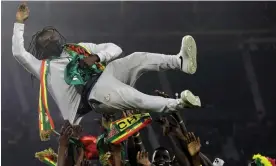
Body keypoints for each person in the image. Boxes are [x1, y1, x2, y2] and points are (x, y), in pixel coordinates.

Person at [13, 2, 201, 125]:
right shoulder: (44, 68)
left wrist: (97, 57)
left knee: (136, 58)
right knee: (135, 97)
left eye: (53, 36)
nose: (53, 40)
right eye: (47, 41)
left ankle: (180, 61)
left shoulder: (78, 48)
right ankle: (180, 103)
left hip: (106, 74)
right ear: (43, 49)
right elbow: (18, 53)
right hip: (95, 94)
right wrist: (19, 23)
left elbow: (115, 48)